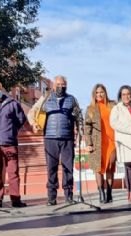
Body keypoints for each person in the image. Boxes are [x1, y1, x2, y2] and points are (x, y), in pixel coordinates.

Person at [0, 80, 27, 208]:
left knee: (13, 172)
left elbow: (21, 119)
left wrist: (11, 132)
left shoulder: (12, 103)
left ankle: (16, 199)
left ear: (2, 89)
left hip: (10, 143)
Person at [42, 75, 83, 205]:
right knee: (51, 168)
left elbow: (79, 117)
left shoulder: (72, 99)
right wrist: (34, 124)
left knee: (68, 168)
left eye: (63, 84)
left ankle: (69, 195)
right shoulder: (46, 99)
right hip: (50, 138)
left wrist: (81, 131)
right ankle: (51, 197)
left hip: (67, 138)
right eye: (58, 84)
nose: (61, 87)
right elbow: (34, 113)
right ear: (54, 86)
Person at [84, 84, 117, 203]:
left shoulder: (113, 105)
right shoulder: (91, 108)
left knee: (109, 167)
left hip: (112, 141)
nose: (99, 95)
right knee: (98, 168)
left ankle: (109, 192)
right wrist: (89, 143)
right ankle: (101, 193)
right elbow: (87, 127)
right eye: (97, 93)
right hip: (97, 142)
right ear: (94, 94)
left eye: (101, 92)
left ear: (105, 92)